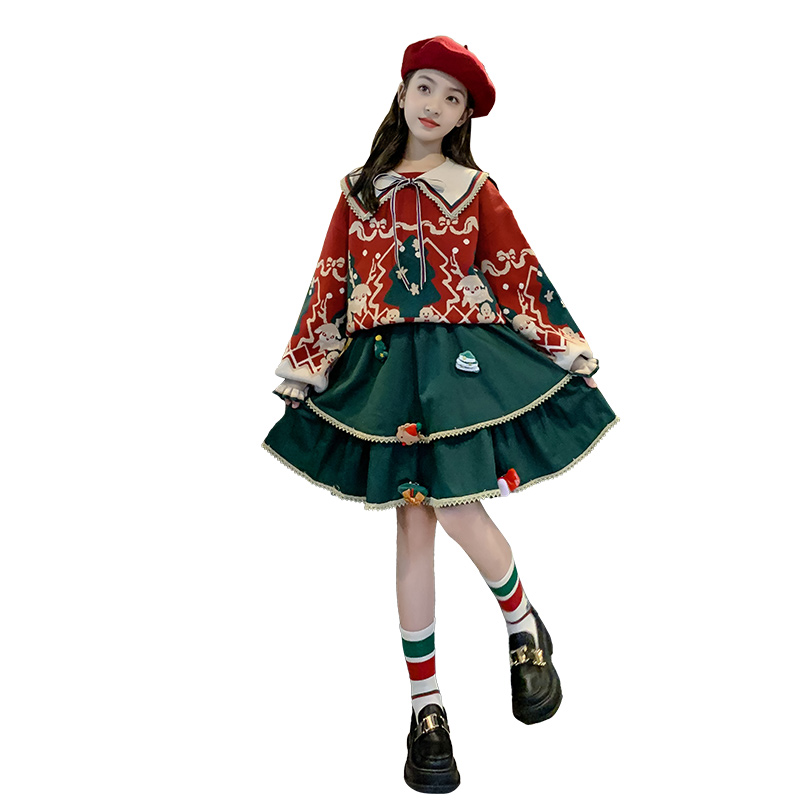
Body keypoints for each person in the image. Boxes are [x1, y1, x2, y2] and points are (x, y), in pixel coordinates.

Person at [262, 35, 618, 794]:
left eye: (453, 98)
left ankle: (521, 625)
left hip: (458, 371)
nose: (435, 105)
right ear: (401, 94)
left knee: (456, 507)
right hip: (384, 373)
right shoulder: (359, 192)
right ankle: (427, 707)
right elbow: (331, 278)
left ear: (462, 118)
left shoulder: (474, 188)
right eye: (425, 87)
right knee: (412, 522)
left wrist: (562, 341)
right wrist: (309, 358)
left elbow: (516, 270)